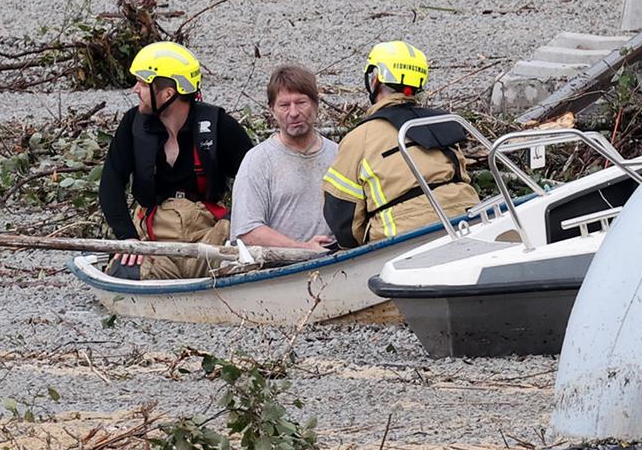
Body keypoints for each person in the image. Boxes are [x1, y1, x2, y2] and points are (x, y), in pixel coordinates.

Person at [98, 41, 253, 279]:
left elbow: (256, 183)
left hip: (210, 239)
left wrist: (235, 225)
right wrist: (127, 239)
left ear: (168, 93)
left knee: (248, 261)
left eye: (142, 83)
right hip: (154, 243)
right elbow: (110, 183)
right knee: (125, 270)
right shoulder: (132, 125)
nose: (134, 89)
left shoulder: (219, 126)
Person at [322, 41, 479, 248]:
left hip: (402, 235)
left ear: (375, 78)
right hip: (467, 220)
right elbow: (462, 176)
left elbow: (342, 214)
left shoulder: (360, 138)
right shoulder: (443, 123)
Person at [229, 65, 338, 251]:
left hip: (339, 261)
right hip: (281, 270)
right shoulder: (258, 161)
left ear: (316, 104)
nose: (294, 113)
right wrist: (302, 248)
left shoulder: (338, 154)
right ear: (272, 110)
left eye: (301, 102)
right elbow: (247, 232)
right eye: (284, 105)